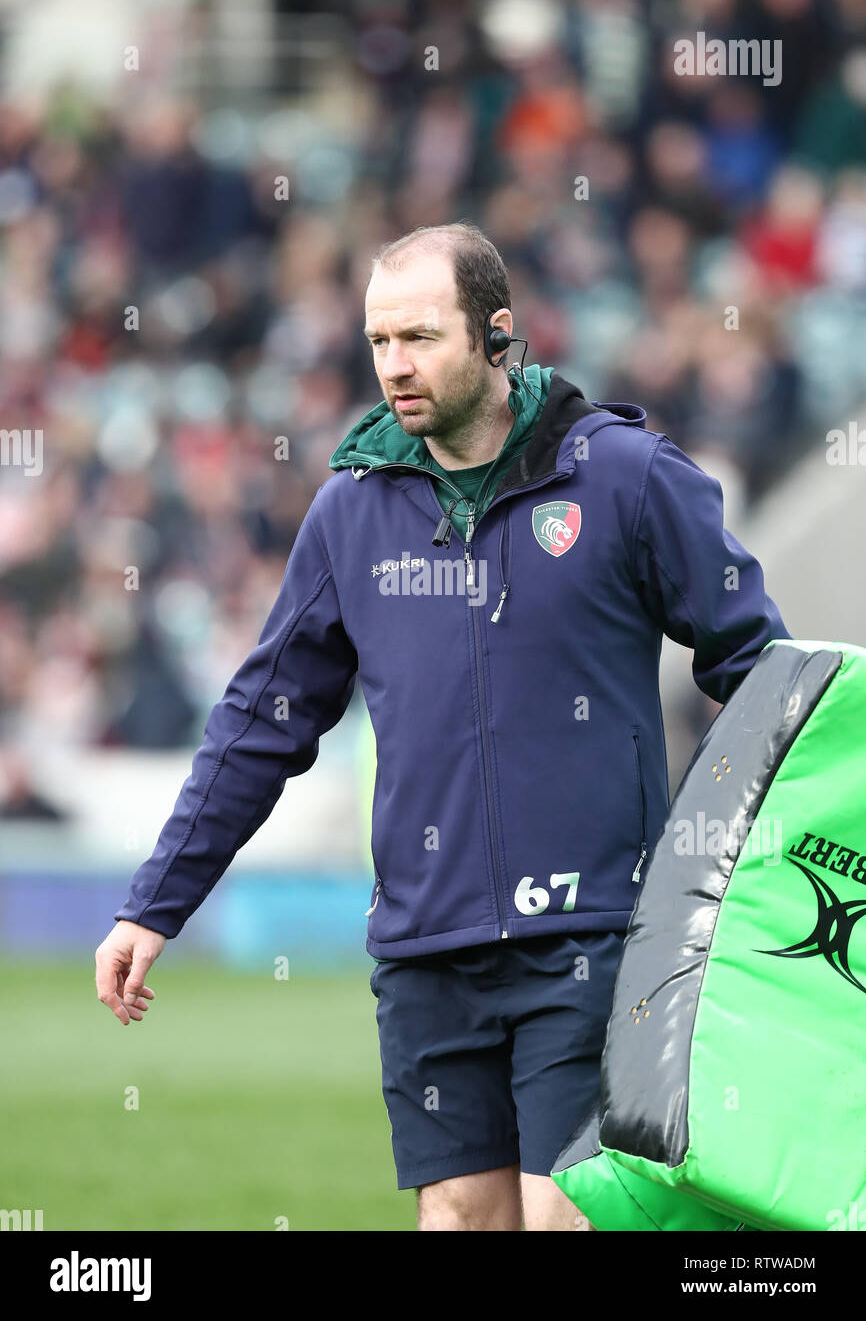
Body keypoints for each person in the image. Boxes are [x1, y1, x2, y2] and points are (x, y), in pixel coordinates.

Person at [95, 222, 791, 1231]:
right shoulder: (349, 513)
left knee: (565, 1218)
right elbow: (262, 719)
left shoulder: (627, 478)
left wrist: (749, 872)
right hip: (424, 949)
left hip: (591, 938)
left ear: (495, 335)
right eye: (378, 342)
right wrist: (155, 904)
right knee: (459, 1223)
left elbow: (759, 672)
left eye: (418, 337)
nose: (393, 366)